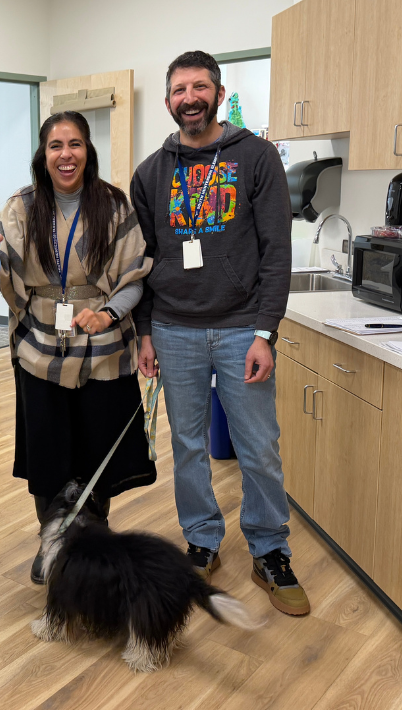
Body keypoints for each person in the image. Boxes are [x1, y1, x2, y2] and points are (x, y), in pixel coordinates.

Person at [131, 50, 309, 616]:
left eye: (200, 87)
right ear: (168, 102)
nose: (190, 98)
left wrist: (265, 331)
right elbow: (141, 261)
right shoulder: (150, 172)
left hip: (240, 330)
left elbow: (277, 250)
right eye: (180, 89)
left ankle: (269, 550)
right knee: (187, 447)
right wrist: (144, 333)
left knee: (259, 447)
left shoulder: (255, 158)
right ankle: (202, 539)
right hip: (173, 329)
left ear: (217, 93)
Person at [0, 111, 155, 584]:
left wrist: (108, 313)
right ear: (44, 153)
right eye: (56, 146)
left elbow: (134, 279)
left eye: (74, 144)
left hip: (103, 346)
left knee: (98, 450)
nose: (66, 155)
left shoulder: (114, 206)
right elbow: (2, 270)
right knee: (49, 454)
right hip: (40, 350)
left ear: (87, 150)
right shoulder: (21, 207)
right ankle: (52, 543)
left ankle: (93, 545)